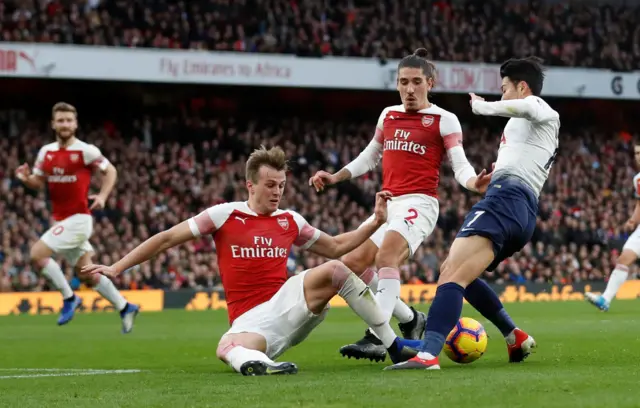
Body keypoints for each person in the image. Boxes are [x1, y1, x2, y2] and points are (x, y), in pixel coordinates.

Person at [82, 146, 420, 375]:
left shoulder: (290, 220)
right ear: (250, 185)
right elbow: (167, 238)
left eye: (282, 185)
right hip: (259, 324)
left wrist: (376, 221)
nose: (277, 192)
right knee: (227, 345)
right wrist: (117, 268)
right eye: (270, 185)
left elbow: (335, 247)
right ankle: (259, 364)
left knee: (336, 268)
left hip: (285, 304)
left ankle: (393, 344)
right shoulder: (224, 215)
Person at [309, 48, 491, 361]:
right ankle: (410, 319)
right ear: (397, 84)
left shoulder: (444, 120)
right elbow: (371, 154)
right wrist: (336, 177)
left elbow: (459, 165)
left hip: (419, 202)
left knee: (387, 254)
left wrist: (474, 182)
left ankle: (379, 336)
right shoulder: (389, 114)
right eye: (403, 82)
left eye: (416, 81)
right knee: (352, 263)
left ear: (430, 83)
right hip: (389, 203)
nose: (409, 88)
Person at [387, 57, 560, 370]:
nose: (502, 94)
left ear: (521, 87)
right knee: (455, 270)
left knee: (452, 275)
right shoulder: (528, 128)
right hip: (517, 208)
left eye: (505, 89)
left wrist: (482, 106)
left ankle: (428, 354)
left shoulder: (541, 109)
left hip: (507, 200)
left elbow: (530, 105)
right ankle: (513, 335)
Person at [14, 102, 139, 332]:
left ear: (75, 123)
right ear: (53, 124)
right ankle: (125, 307)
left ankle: (69, 298)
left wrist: (102, 196)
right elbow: (37, 181)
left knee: (37, 254)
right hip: (62, 220)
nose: (64, 124)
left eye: (68, 120)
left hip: (80, 219)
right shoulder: (46, 152)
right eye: (60, 120)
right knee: (87, 274)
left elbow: (111, 170)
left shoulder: (86, 150)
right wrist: (25, 178)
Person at [585, 144, 640, 311]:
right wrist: (632, 220)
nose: (638, 156)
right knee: (624, 258)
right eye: (636, 153)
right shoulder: (637, 179)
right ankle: (605, 300)